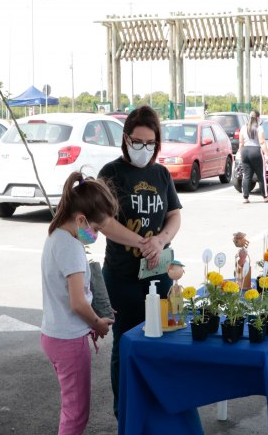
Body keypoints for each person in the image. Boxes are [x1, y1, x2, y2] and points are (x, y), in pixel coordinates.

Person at [97, 105, 183, 418]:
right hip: (121, 279)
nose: (143, 149)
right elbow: (102, 220)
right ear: (125, 139)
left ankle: (155, 407)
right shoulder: (110, 173)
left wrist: (160, 241)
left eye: (149, 143)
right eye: (137, 141)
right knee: (125, 345)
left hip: (158, 276)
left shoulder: (161, 174)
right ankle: (126, 411)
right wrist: (142, 243)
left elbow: (174, 215)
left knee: (159, 342)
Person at [40, 171, 117, 435]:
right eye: (96, 229)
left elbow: (70, 296)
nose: (96, 234)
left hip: (55, 335)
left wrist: (95, 311)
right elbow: (76, 303)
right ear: (81, 219)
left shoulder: (56, 237)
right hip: (68, 341)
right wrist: (97, 323)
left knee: (71, 408)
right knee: (76, 414)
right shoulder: (72, 247)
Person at [239, 110, 268, 203]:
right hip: (255, 151)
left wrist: (240, 153)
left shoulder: (243, 127)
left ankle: (245, 197)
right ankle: (265, 196)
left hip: (245, 151)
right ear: (258, 118)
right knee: (261, 175)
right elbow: (262, 142)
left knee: (246, 175)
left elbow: (241, 143)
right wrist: (266, 155)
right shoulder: (259, 128)